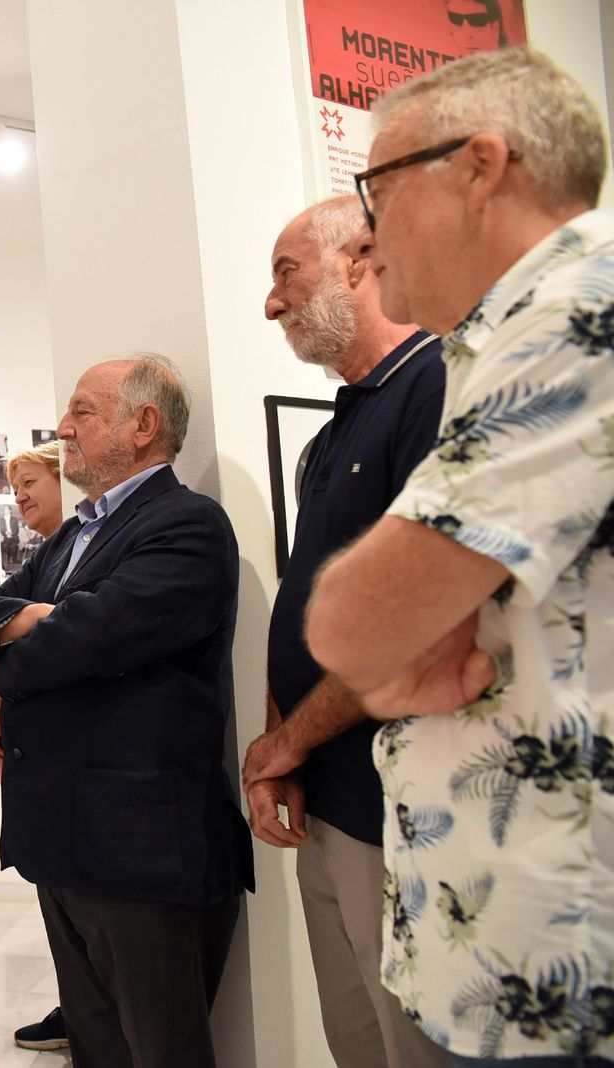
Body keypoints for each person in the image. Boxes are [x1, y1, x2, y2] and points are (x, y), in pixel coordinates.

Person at [306, 48, 613, 1068]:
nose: (368, 234)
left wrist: (397, 628)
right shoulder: (505, 341)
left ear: (480, 167)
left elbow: (349, 626)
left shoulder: (577, 311)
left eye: (377, 193)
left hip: (562, 970)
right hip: (514, 943)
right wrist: (410, 625)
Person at [0, 356, 253, 1068]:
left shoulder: (187, 526)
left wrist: (26, 642)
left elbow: (76, 642)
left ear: (143, 424)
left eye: (83, 412)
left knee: (162, 1051)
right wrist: (32, 624)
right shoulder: (72, 535)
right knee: (97, 1049)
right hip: (65, 843)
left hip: (140, 851)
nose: (63, 428)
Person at [243, 196, 447, 1068]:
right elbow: (304, 608)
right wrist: (279, 743)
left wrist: (289, 739)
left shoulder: (432, 385)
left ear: (357, 260)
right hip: (322, 791)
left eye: (286, 272)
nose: (271, 301)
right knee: (355, 1038)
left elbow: (418, 620)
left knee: (410, 1041)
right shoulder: (334, 432)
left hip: (394, 804)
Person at [0, 441, 75, 1052]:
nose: (19, 496)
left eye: (29, 482)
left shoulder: (84, 545)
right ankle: (77, 1008)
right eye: (13, 486)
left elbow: (79, 639)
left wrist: (19, 631)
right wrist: (24, 621)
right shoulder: (47, 555)